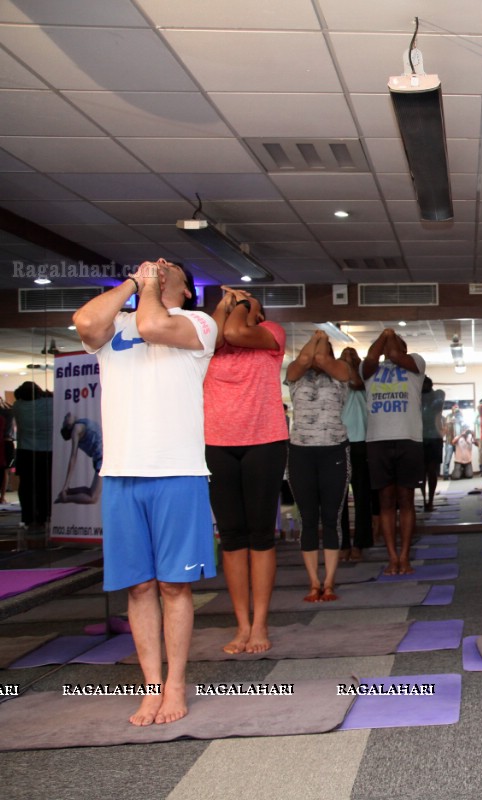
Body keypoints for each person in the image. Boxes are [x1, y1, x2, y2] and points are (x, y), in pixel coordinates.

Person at [73, 259, 216, 725]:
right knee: (138, 586)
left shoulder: (198, 322)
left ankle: (175, 683)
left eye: (168, 266)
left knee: (175, 584)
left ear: (187, 289)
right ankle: (151, 685)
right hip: (120, 472)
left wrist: (148, 286)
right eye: (151, 264)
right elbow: (84, 322)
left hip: (178, 471)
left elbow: (155, 324)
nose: (156, 266)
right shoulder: (116, 321)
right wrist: (133, 283)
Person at [204, 287, 288, 654]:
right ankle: (241, 624)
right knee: (232, 537)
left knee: (260, 534)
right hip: (217, 443)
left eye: (242, 304)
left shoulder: (271, 333)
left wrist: (240, 304)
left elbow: (236, 332)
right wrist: (225, 307)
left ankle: (260, 624)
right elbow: (221, 334)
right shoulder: (211, 342)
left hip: (264, 441)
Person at [285, 330, 356, 602]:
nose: (316, 354)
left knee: (331, 517)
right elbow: (305, 358)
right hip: (301, 452)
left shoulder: (340, 371)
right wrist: (317, 338)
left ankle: (329, 582)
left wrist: (322, 341)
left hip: (334, 449)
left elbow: (321, 359)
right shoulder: (294, 374)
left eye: (322, 347)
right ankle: (314, 582)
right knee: (308, 519)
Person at [362, 328, 426, 575]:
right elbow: (371, 358)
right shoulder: (369, 370)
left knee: (406, 500)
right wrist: (385, 334)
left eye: (394, 343)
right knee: (386, 501)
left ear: (404, 348)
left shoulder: (415, 363)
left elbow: (396, 355)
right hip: (377, 441)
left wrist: (390, 338)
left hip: (409, 439)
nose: (388, 348)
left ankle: (405, 556)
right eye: (384, 344)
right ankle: (392, 557)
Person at [338, 347, 374, 560]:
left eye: (353, 355)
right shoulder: (336, 378)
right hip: (339, 441)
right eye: (344, 355)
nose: (349, 357)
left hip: (362, 441)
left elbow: (356, 383)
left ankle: (360, 543)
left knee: (362, 497)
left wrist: (351, 363)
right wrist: (344, 363)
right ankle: (343, 544)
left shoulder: (365, 377)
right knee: (339, 498)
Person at [11, 381, 53, 533]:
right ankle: (44, 515)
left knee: (26, 486)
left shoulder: (18, 407)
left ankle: (27, 516)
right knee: (45, 486)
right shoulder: (49, 404)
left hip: (25, 451)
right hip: (47, 451)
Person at [55, 413, 103, 504]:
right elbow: (73, 456)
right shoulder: (75, 430)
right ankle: (65, 497)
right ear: (68, 426)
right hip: (103, 459)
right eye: (66, 418)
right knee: (93, 498)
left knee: (91, 492)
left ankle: (68, 492)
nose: (67, 415)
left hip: (103, 458)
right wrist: (66, 484)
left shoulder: (80, 423)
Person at [420, 377, 445, 511]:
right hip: (422, 438)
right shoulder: (418, 398)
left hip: (434, 437)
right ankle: (426, 500)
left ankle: (430, 501)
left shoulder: (437, 397)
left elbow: (439, 397)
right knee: (423, 472)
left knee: (431, 471)